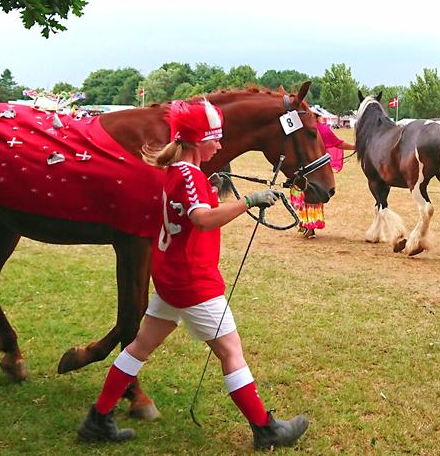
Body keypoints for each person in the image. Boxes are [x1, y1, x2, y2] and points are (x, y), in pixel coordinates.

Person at [77, 100, 310, 450]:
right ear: (198, 141)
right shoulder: (189, 175)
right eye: (214, 139)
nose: (219, 145)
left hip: (172, 278)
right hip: (193, 283)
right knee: (231, 351)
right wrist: (249, 202)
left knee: (140, 347)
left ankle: (98, 418)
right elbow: (201, 218)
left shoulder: (176, 171)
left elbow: (192, 215)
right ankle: (266, 429)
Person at [289, 121, 355, 238]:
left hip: (304, 167)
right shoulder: (319, 128)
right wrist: (356, 147)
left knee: (307, 195)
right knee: (312, 195)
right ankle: (309, 224)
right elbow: (339, 144)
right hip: (316, 169)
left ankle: (309, 225)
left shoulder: (304, 127)